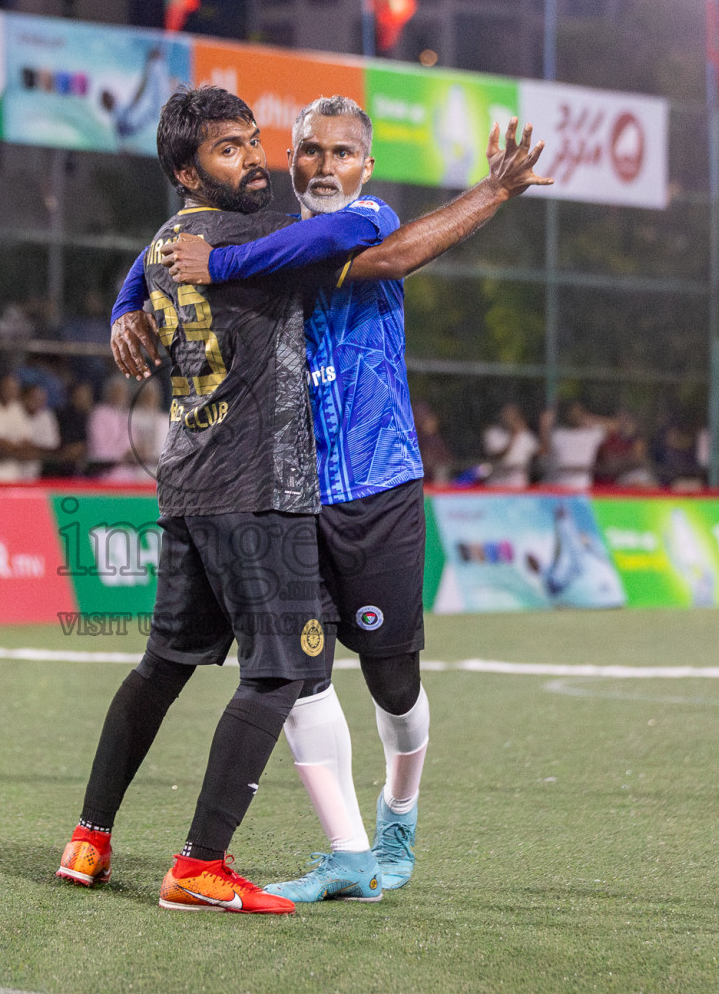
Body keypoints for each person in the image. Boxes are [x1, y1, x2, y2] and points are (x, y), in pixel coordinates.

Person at [137, 96, 549, 901]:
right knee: (299, 677)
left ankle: (399, 813)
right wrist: (127, 308)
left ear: (365, 166)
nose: (324, 167)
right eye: (310, 152)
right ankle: (350, 853)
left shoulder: (363, 220)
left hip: (378, 488)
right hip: (288, 494)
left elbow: (391, 261)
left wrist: (492, 193)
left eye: (342, 153)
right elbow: (160, 252)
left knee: (394, 682)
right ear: (291, 163)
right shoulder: (265, 233)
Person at [56, 87, 349, 915]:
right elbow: (360, 228)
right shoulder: (255, 231)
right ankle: (200, 864)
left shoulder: (167, 240)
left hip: (189, 483)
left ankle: (90, 836)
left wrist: (121, 310)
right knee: (281, 670)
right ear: (189, 172)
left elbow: (135, 280)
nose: (256, 158)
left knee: (163, 666)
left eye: (254, 141)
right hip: (259, 487)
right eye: (231, 150)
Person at [540, 403, 609, 489]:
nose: (574, 415)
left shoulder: (592, 434)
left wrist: (592, 419)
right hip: (559, 488)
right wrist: (544, 427)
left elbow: (617, 426)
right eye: (572, 412)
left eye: (578, 413)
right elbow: (545, 451)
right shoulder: (559, 434)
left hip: (581, 488)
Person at [482, 403, 540, 489]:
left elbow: (540, 452)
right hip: (497, 480)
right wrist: (513, 436)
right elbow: (496, 455)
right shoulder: (492, 432)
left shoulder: (525, 434)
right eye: (506, 414)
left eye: (512, 415)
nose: (509, 418)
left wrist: (544, 428)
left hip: (517, 480)